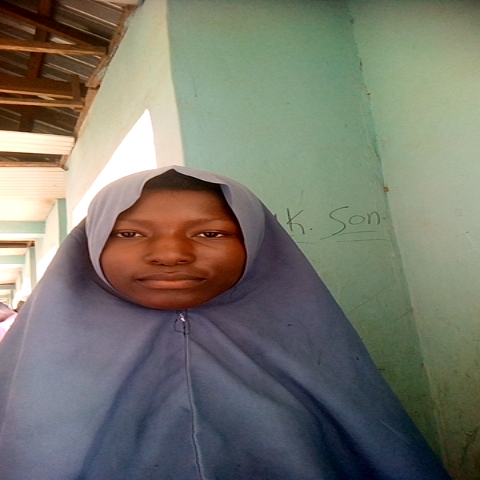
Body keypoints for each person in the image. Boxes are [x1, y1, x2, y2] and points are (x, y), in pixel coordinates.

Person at [0, 166, 450, 479]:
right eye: (130, 233)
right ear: (91, 244)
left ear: (256, 243)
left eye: (210, 233)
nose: (171, 254)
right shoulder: (30, 366)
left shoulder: (315, 352)